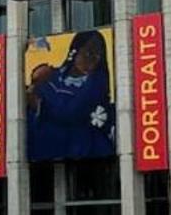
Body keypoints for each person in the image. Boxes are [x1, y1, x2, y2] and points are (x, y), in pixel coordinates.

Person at [27, 30, 115, 161]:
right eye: (89, 52)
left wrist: (40, 102)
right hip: (44, 149)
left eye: (98, 55)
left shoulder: (96, 85)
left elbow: (71, 111)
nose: (93, 59)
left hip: (82, 149)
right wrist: (34, 85)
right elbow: (30, 103)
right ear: (75, 51)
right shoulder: (51, 75)